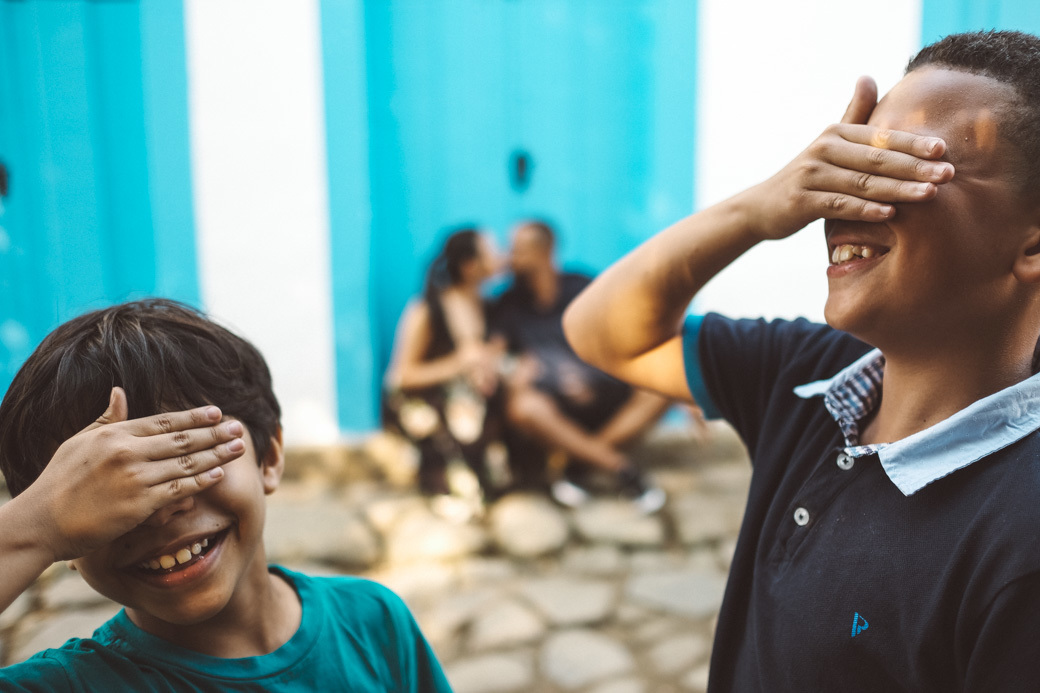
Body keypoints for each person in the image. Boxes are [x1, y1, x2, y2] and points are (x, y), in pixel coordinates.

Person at [563, 30, 1040, 691]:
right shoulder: (812, 375)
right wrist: (758, 209)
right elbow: (603, 333)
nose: (838, 199)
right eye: (846, 160)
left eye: (898, 167)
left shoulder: (1020, 537)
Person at [0, 299, 451, 691]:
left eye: (190, 454)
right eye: (108, 488)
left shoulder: (372, 622)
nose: (160, 509)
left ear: (269, 455)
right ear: (65, 539)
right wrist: (36, 527)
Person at [492, 220, 671, 513]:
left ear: (544, 251)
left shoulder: (582, 286)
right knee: (523, 407)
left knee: (663, 388)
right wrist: (512, 371)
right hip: (556, 408)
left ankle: (579, 464)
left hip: (606, 392)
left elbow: (629, 330)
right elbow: (495, 355)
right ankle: (620, 468)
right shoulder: (508, 303)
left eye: (516, 250)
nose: (508, 256)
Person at [384, 226, 505, 513]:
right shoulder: (427, 311)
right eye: (493, 251)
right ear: (470, 265)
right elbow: (400, 377)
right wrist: (458, 364)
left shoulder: (489, 307)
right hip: (431, 408)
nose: (502, 256)